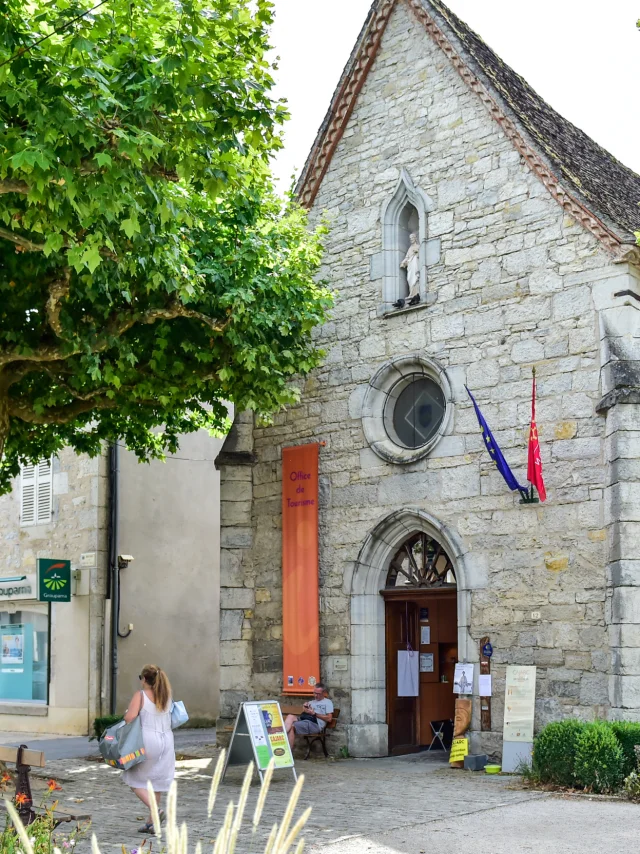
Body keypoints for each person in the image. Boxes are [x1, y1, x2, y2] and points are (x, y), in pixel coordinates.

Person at [122, 664, 175, 834]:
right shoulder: (166, 695)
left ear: (144, 679)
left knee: (132, 778)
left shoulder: (141, 695)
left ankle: (156, 811)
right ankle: (152, 824)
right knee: (156, 782)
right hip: (167, 740)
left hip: (148, 740)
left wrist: (127, 714)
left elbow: (130, 718)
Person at [284, 683, 333, 749]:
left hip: (315, 724)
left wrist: (315, 714)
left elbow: (329, 719)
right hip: (305, 720)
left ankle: (288, 753)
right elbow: (305, 713)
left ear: (324, 693)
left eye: (318, 694)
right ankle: (282, 734)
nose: (315, 695)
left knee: (292, 727)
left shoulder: (327, 702)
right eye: (314, 693)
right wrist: (305, 709)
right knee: (290, 716)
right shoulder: (312, 702)